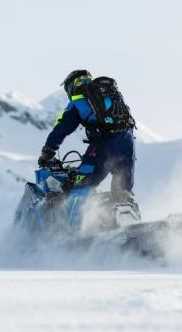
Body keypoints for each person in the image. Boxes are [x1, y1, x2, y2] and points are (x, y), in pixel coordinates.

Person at [37, 69, 136, 228]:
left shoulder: (78, 101)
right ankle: (128, 229)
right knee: (122, 192)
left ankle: (75, 232)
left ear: (71, 87)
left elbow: (61, 129)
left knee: (81, 185)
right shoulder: (111, 95)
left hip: (105, 143)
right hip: (128, 142)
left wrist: (47, 152)